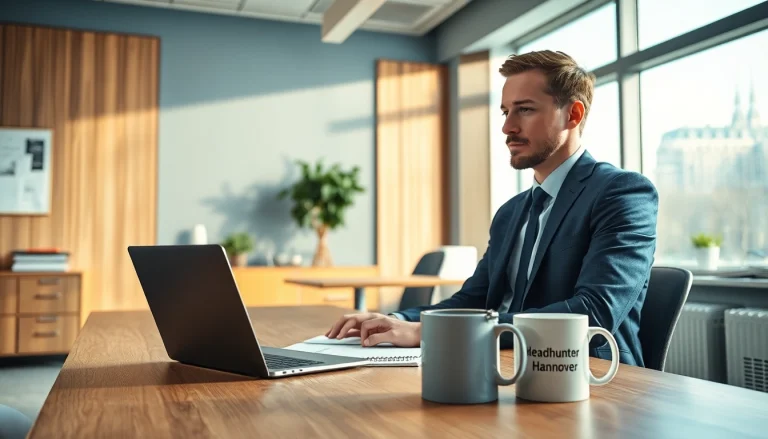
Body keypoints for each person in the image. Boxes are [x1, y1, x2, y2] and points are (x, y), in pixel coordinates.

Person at [326, 50, 658, 366]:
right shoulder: (512, 212)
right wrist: (396, 320)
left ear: (572, 114)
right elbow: (473, 300)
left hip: (591, 378)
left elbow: (594, 312)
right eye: (505, 111)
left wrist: (430, 332)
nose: (507, 127)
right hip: (504, 365)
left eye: (524, 109)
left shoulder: (622, 193)